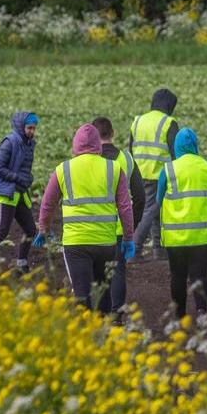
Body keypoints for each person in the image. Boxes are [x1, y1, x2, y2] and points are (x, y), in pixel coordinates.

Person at [35, 123, 135, 313]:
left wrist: (44, 229)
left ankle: (87, 336)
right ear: (98, 144)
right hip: (106, 243)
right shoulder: (113, 168)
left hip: (76, 244)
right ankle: (104, 333)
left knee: (82, 295)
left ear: (76, 144)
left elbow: (47, 205)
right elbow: (125, 207)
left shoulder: (63, 170)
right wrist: (129, 238)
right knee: (103, 292)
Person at [157, 128, 207, 319]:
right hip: (203, 234)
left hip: (176, 236)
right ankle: (201, 312)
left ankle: (179, 316)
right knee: (199, 274)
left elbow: (159, 199)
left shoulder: (168, 169)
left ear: (176, 146)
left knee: (177, 275)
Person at [93, 116, 146, 316]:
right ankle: (116, 315)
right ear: (112, 134)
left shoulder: (87, 161)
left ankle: (98, 315)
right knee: (117, 272)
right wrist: (132, 224)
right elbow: (140, 197)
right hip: (119, 229)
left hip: (94, 228)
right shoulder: (126, 159)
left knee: (96, 273)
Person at [0, 112, 39, 273]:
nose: (32, 131)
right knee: (2, 230)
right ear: (21, 126)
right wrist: (19, 178)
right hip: (5, 192)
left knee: (30, 229)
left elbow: (24, 168)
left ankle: (21, 263)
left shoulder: (29, 143)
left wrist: (28, 178)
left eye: (34, 128)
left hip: (19, 192)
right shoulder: (10, 142)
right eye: (29, 128)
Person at [130, 88, 179, 260]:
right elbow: (175, 152)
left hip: (138, 173)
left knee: (154, 211)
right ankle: (134, 248)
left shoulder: (138, 121)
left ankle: (159, 250)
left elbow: (131, 147)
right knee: (151, 210)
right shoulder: (168, 123)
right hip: (158, 174)